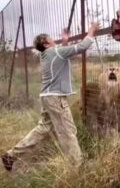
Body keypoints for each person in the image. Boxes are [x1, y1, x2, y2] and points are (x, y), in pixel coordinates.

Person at [1, 22, 101, 171]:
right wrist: (92, 31)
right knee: (68, 131)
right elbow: (82, 47)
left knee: (43, 129)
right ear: (46, 43)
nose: (54, 39)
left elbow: (60, 54)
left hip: (47, 97)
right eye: (51, 38)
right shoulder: (55, 52)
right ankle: (78, 166)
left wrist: (65, 41)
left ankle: (11, 155)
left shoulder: (46, 54)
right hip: (55, 99)